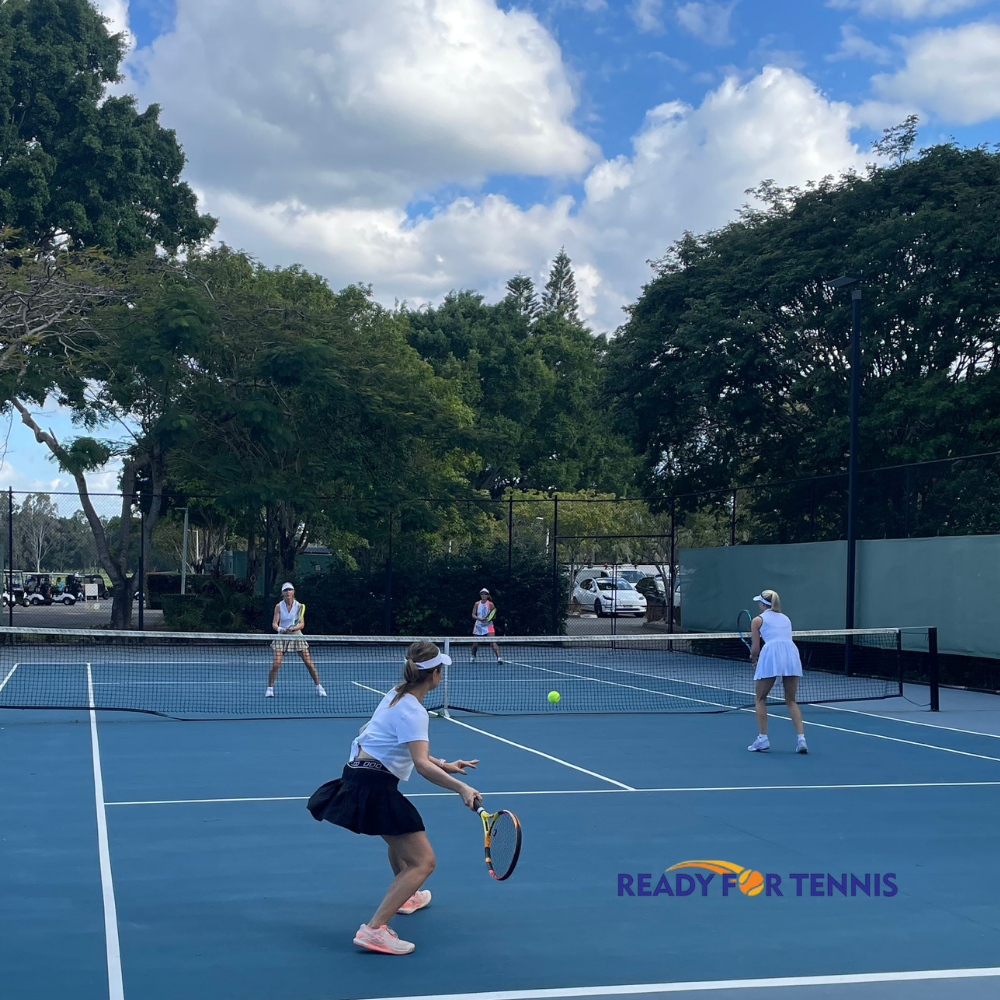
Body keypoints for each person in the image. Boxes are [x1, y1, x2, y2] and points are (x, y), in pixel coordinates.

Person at [307, 640, 481, 955]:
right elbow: (421, 764)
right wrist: (462, 789)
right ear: (435, 675)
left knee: (398, 834)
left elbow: (407, 747)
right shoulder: (415, 712)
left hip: (357, 776)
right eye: (440, 669)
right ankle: (374, 930)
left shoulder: (395, 695)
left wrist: (445, 764)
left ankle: (407, 895)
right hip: (373, 785)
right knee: (424, 862)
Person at [747, 589, 808, 754]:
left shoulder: (757, 620)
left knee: (760, 699)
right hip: (791, 656)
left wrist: (754, 660)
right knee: (791, 700)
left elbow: (755, 648)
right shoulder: (786, 619)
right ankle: (801, 739)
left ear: (763, 604)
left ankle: (762, 738)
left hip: (771, 655)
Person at [266, 583, 326, 698]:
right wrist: (281, 629)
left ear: (293, 592)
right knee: (276, 664)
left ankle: (319, 687)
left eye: (290, 590)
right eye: (286, 590)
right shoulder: (278, 606)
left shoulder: (299, 606)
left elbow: (302, 624)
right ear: (283, 593)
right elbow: (274, 623)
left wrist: (293, 628)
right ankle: (269, 689)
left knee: (308, 663)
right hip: (282, 636)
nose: (288, 592)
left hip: (296, 635)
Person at [470, 588, 502, 663]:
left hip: (488, 626)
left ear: (488, 595)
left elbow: (493, 615)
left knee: (492, 642)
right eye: (482, 594)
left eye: (485, 594)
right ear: (480, 595)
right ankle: (473, 656)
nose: (483, 595)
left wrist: (489, 619)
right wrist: (479, 618)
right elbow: (473, 615)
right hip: (478, 626)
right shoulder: (477, 604)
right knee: (475, 644)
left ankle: (499, 658)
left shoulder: (490, 604)